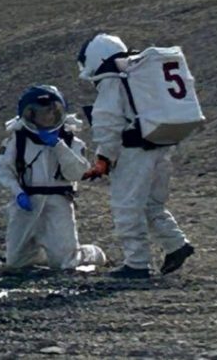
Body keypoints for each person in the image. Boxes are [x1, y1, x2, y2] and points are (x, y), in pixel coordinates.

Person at [77, 33, 195, 279]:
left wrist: (104, 158)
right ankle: (176, 244)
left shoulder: (112, 80)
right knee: (152, 204)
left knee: (127, 206)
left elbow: (108, 122)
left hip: (133, 152)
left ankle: (137, 264)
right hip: (160, 143)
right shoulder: (139, 74)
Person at [0, 84, 106, 271]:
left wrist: (59, 146)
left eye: (52, 112)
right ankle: (41, 252)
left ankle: (91, 253)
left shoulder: (71, 142)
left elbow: (77, 173)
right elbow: (2, 169)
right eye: (42, 113)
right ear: (30, 115)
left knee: (65, 263)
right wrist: (17, 192)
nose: (48, 117)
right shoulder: (17, 140)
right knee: (15, 263)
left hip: (58, 202)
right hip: (27, 201)